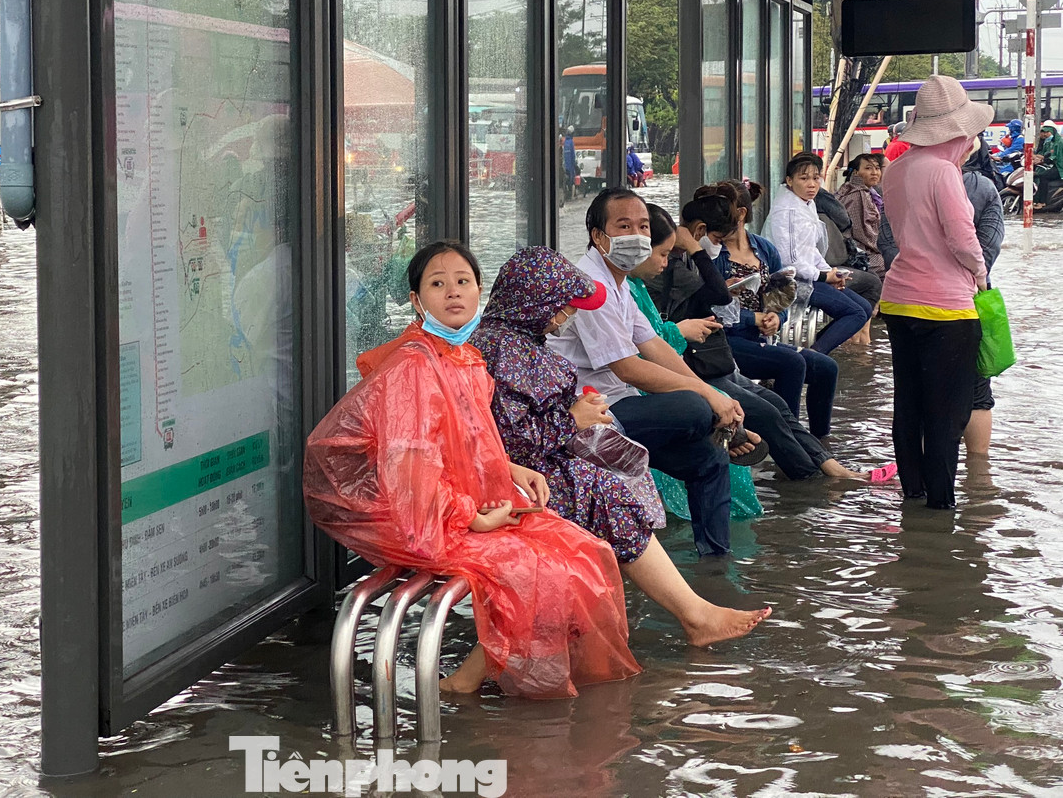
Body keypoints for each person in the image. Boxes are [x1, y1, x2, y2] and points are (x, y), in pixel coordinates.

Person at [303, 240, 641, 697]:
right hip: (410, 517)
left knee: (582, 550)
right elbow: (409, 477)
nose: (453, 292)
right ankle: (476, 687)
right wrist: (474, 518)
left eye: (462, 282)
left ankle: (481, 679)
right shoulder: (413, 367)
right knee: (537, 568)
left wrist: (510, 467)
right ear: (417, 301)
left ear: (479, 291)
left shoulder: (465, 358)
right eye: (437, 284)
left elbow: (465, 442)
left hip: (448, 503)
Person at [472, 246, 771, 646]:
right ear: (534, 301)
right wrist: (573, 418)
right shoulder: (503, 349)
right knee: (615, 488)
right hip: (522, 476)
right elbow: (514, 440)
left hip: (553, 459)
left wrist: (577, 412)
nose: (568, 316)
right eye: (562, 306)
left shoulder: (523, 342)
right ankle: (694, 611)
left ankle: (707, 583)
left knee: (699, 455)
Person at [547, 188, 752, 558]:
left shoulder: (620, 283)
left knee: (710, 461)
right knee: (694, 408)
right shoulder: (589, 283)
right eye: (624, 226)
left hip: (622, 404)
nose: (637, 235)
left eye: (643, 226)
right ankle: (729, 428)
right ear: (598, 235)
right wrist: (707, 398)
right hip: (591, 415)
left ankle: (715, 565)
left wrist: (713, 394)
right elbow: (628, 368)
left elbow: (653, 346)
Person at [643, 202, 894, 484]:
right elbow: (717, 302)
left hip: (719, 356)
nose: (664, 259)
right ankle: (814, 480)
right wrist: (702, 257)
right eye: (715, 238)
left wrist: (774, 314)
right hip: (708, 358)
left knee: (784, 398)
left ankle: (828, 464)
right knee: (773, 402)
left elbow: (774, 290)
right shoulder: (680, 265)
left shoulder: (760, 248)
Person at [880, 75, 991, 510]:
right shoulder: (944, 172)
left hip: (899, 300)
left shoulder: (897, 169)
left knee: (908, 404)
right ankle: (941, 507)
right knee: (948, 414)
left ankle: (914, 493)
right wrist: (981, 276)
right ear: (959, 131)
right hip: (946, 308)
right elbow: (964, 242)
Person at [704, 180, 841, 443]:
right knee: (791, 363)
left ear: (741, 214)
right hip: (726, 341)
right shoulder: (710, 255)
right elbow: (704, 308)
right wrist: (751, 318)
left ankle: (821, 440)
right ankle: (789, 439)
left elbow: (783, 296)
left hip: (762, 339)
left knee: (827, 368)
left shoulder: (764, 248)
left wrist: (776, 318)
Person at [763, 153, 875, 355]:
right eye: (803, 178)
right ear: (789, 181)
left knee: (865, 307)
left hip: (810, 276)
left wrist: (830, 273)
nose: (812, 184)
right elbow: (790, 261)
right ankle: (813, 356)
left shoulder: (806, 203)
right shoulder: (787, 211)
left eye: (816, 178)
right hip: (789, 282)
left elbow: (810, 249)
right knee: (855, 313)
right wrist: (823, 276)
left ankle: (815, 352)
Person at [961, 137, 1006, 457]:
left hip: (910, 299)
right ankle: (979, 479)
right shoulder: (983, 188)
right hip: (968, 298)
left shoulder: (902, 177)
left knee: (919, 392)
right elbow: (988, 249)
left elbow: (890, 245)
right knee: (977, 389)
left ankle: (916, 483)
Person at [836, 154, 887, 279]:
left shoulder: (860, 190)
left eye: (877, 168)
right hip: (859, 252)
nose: (874, 172)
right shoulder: (858, 194)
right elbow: (862, 233)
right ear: (856, 172)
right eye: (868, 168)